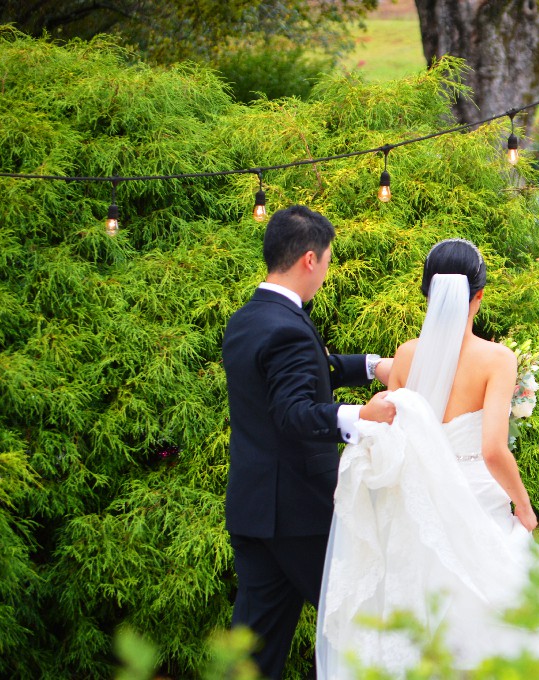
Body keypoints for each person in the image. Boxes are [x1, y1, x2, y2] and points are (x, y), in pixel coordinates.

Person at [315, 238, 539, 679]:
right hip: (477, 500)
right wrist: (524, 505)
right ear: (479, 295)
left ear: (427, 292)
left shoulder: (406, 355)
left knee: (413, 614)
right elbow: (493, 449)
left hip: (413, 504)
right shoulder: (497, 359)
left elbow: (393, 438)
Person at [222, 204, 396, 680]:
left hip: (254, 510)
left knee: (253, 653)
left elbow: (306, 371)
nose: (326, 272)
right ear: (309, 259)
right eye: (328, 260)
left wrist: (370, 365)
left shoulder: (248, 319)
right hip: (299, 514)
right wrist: (361, 415)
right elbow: (292, 411)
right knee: (358, 624)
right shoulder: (286, 327)